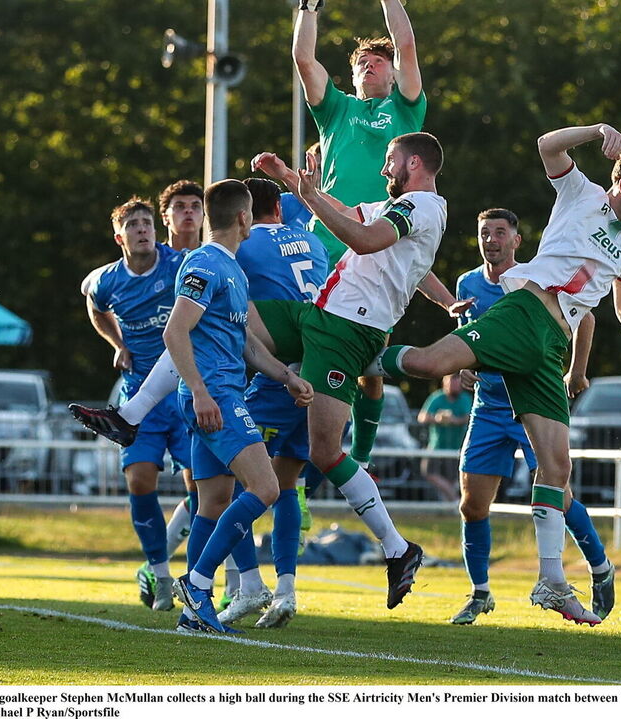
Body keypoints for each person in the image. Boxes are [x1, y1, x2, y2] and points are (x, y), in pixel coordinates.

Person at [371, 123, 621, 626]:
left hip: (551, 345)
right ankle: (365, 354)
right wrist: (598, 131)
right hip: (525, 314)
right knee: (431, 365)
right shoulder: (581, 192)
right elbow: (545, 145)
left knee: (557, 470)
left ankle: (551, 582)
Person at [251, 131, 446, 609]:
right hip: (323, 316)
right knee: (227, 315)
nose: (384, 170)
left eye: (389, 161)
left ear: (414, 163)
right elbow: (355, 217)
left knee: (323, 451)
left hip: (348, 331)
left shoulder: (419, 207)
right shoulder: (407, 207)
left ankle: (397, 548)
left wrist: (309, 195)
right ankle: (140, 412)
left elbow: (361, 238)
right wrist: (291, 180)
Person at [295, 0, 426, 468]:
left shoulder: (406, 112)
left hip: (378, 248)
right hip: (324, 244)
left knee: (367, 366)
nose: (371, 66)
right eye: (362, 63)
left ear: (393, 73)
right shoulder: (337, 111)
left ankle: (360, 455)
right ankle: (299, 468)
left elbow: (409, 46)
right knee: (306, 358)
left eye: (379, 61)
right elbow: (304, 57)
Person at [449, 208, 615, 626]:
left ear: (517, 241)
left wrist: (576, 371)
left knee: (561, 492)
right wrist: (464, 367)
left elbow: (587, 317)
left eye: (500, 232)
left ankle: (600, 567)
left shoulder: (532, 278)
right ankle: (480, 593)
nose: (491, 240)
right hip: (487, 408)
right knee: (472, 505)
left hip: (532, 403)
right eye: (484, 232)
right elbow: (473, 339)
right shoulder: (466, 283)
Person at [163, 180, 314, 635]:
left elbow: (246, 342)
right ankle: (198, 583)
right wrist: (202, 391)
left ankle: (194, 615)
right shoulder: (206, 263)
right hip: (216, 398)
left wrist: (286, 375)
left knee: (211, 503)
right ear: (245, 218)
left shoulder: (232, 268)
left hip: (216, 394)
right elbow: (175, 332)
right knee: (266, 487)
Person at [74, 195, 196, 613]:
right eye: (134, 225)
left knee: (204, 488)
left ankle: (198, 578)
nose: (143, 229)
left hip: (181, 394)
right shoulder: (106, 280)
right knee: (140, 481)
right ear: (119, 236)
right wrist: (117, 343)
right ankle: (161, 576)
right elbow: (94, 304)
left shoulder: (177, 265)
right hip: (137, 397)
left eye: (147, 223)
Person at [217, 177, 329, 629]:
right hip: (319, 371)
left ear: (244, 213)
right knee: (285, 486)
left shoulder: (240, 249)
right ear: (279, 210)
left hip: (277, 376)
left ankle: (248, 586)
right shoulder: (313, 240)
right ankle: (286, 589)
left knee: (228, 483)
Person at [417, 375, 472, 502]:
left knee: (454, 478)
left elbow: (469, 418)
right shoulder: (437, 397)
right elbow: (422, 417)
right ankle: (455, 500)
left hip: (457, 447)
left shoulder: (465, 399)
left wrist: (454, 420)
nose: (455, 386)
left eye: (457, 383)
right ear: (444, 384)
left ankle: (451, 503)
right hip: (436, 446)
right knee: (428, 472)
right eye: (451, 383)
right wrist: (436, 418)